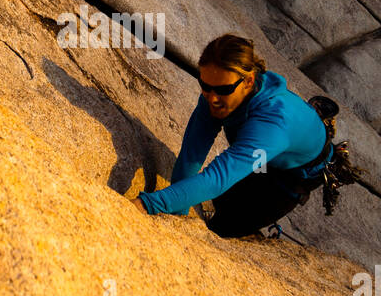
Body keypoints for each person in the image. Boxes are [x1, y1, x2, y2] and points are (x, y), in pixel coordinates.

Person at [135, 34, 334, 238]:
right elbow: (191, 155)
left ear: (248, 81)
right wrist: (177, 215)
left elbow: (218, 178)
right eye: (204, 85)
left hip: (292, 173)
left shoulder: (272, 122)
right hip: (264, 147)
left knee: (227, 224)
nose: (212, 98)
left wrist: (147, 204)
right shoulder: (215, 92)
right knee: (221, 198)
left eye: (223, 89)